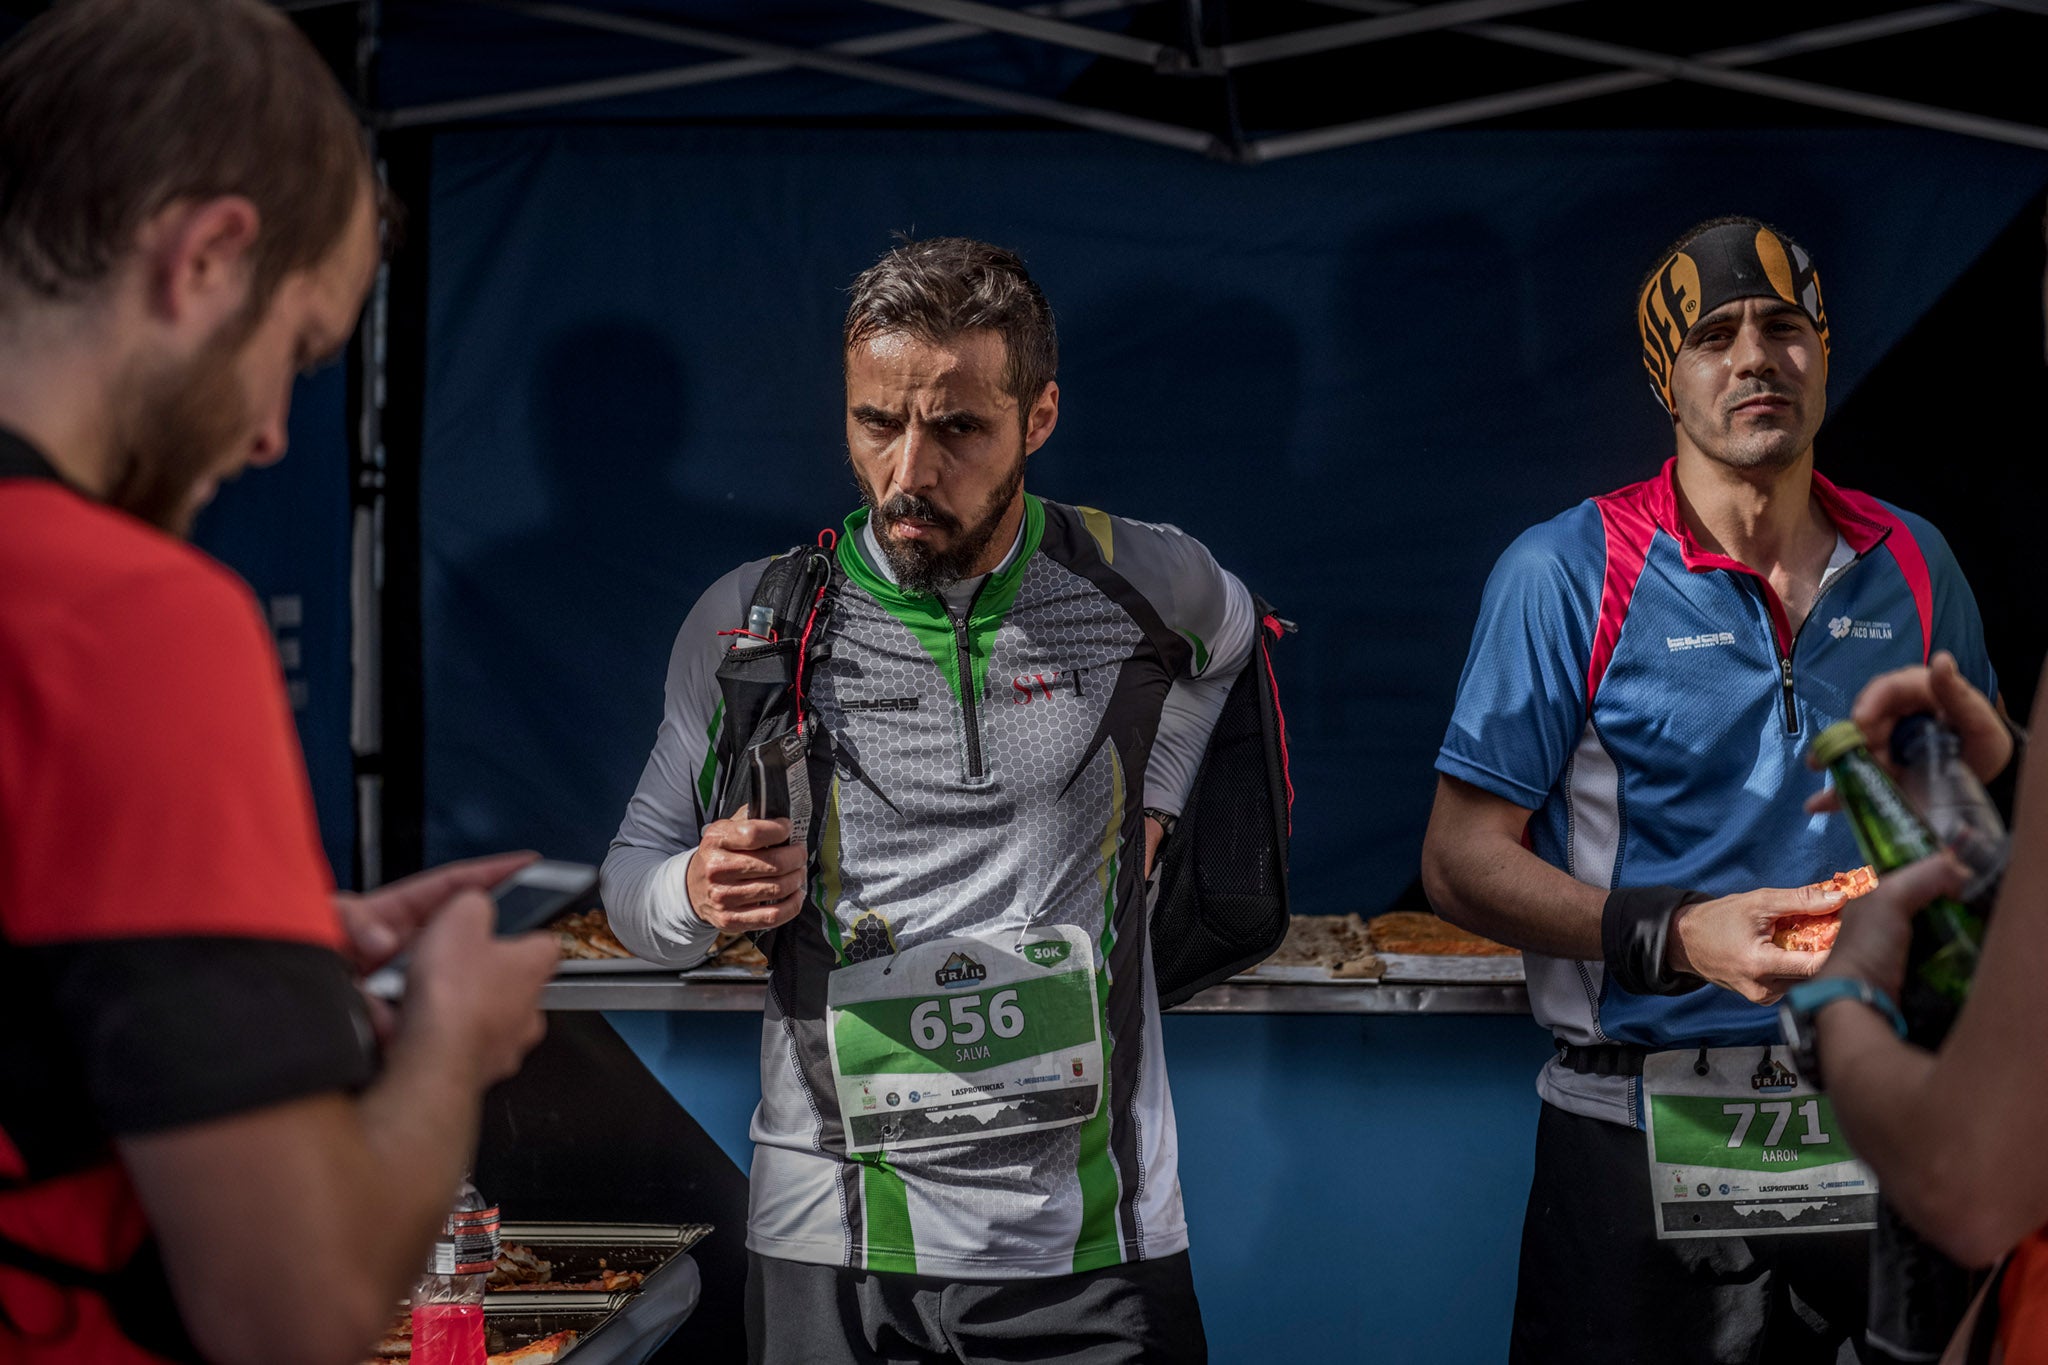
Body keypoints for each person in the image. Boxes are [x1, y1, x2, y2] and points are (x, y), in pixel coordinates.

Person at [0, 4, 558, 1363]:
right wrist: (452, 1040)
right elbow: (294, 1311)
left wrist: (262, 957)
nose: (265, 434)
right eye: (300, 354)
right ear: (205, 257)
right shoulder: (129, 614)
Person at [604, 236, 1251, 1364]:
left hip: (1090, 1234)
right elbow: (629, 886)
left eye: (957, 428)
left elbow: (1229, 645)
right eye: (875, 424)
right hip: (835, 1234)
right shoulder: (754, 619)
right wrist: (695, 893)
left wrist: (1152, 794)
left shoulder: (1144, 581)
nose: (909, 471)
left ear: (1036, 417)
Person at [1420, 216, 2000, 1364]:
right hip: (1632, 1132)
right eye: (1713, 335)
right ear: (1664, 377)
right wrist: (1677, 935)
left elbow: (1965, 821)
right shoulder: (1566, 570)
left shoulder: (1914, 563)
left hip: (1874, 1116)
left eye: (1783, 328)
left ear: (1823, 352)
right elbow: (1456, 859)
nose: (1753, 358)